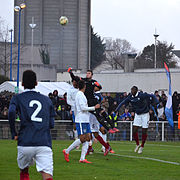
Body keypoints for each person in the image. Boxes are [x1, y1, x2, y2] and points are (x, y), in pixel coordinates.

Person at [8, 70, 55, 180]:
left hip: (25, 141)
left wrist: (14, 133)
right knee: (47, 175)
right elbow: (51, 124)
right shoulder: (47, 100)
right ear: (36, 83)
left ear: (22, 84)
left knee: (24, 171)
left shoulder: (17, 98)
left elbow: (11, 112)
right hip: (44, 142)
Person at [68, 67, 116, 133]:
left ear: (91, 75)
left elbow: (100, 87)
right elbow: (74, 78)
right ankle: (108, 129)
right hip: (88, 101)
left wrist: (98, 85)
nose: (87, 74)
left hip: (94, 100)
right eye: (87, 73)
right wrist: (71, 73)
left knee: (103, 112)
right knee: (98, 115)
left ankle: (113, 127)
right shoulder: (83, 80)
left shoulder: (94, 82)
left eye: (89, 73)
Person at [63, 80, 100, 163]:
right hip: (81, 120)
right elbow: (83, 108)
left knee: (88, 138)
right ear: (84, 87)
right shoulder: (79, 95)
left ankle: (82, 158)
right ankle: (67, 151)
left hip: (85, 119)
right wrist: (94, 108)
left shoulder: (82, 95)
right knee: (83, 138)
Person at [115, 86, 158, 154]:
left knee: (144, 131)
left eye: (133, 90)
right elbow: (123, 102)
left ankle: (142, 146)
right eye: (131, 90)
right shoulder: (130, 97)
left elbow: (152, 96)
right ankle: (137, 144)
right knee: (134, 130)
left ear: (136, 91)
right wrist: (116, 110)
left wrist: (155, 103)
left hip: (145, 114)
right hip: (137, 115)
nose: (132, 91)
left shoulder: (142, 95)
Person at [87, 81, 115, 156]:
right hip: (91, 114)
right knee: (91, 133)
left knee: (97, 132)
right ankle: (102, 147)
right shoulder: (90, 92)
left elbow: (97, 104)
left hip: (94, 115)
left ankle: (104, 146)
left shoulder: (96, 95)